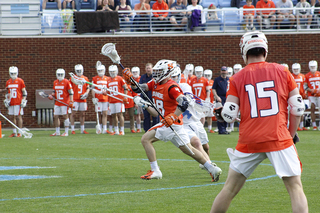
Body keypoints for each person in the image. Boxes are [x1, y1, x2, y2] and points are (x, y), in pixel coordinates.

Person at [210, 31, 308, 213]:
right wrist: (291, 134)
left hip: (249, 140)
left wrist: (220, 111)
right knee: (295, 188)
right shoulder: (282, 70)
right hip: (278, 137)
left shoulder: (237, 77)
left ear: (244, 51)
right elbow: (298, 108)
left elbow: (229, 115)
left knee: (229, 189)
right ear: (265, 49)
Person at [123, 60, 222, 181]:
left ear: (167, 72)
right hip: (173, 124)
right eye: (156, 71)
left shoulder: (171, 86)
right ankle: (212, 168)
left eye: (159, 72)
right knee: (188, 149)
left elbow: (184, 102)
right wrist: (131, 81)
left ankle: (155, 170)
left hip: (170, 123)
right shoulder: (155, 82)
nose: (156, 74)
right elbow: (139, 89)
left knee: (145, 139)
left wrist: (173, 116)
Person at [171, 66, 221, 171]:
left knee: (205, 146)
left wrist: (208, 105)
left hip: (194, 120)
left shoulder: (184, 86)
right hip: (183, 123)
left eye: (175, 76)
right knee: (196, 143)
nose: (173, 79)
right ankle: (210, 167)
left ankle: (206, 162)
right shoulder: (166, 88)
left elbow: (189, 97)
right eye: (171, 77)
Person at [3, 66, 27, 137]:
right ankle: (14, 132)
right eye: (12, 73)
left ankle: (19, 132)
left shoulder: (20, 81)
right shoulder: (8, 82)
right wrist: (7, 99)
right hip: (11, 102)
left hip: (18, 101)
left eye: (14, 73)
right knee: (12, 116)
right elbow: (8, 92)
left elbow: (24, 91)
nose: (13, 75)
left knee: (18, 116)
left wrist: (24, 99)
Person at [49, 69, 74, 136]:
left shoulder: (67, 82)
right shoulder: (55, 82)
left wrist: (71, 101)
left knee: (65, 116)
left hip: (64, 102)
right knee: (56, 116)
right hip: (57, 102)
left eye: (61, 74)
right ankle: (57, 131)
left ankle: (66, 132)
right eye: (58, 74)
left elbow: (71, 92)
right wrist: (52, 95)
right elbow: (54, 91)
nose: (60, 76)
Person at [106, 65, 128, 135]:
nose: (112, 73)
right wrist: (105, 92)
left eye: (114, 71)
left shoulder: (120, 78)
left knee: (120, 114)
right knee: (113, 115)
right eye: (111, 72)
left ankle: (122, 130)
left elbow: (125, 87)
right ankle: (116, 130)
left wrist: (125, 96)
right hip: (111, 100)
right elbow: (107, 91)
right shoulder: (108, 80)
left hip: (119, 99)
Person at [69, 64, 90, 134]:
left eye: (80, 70)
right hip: (75, 98)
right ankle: (72, 129)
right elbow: (69, 88)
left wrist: (86, 93)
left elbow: (88, 87)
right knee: (73, 114)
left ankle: (82, 129)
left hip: (82, 99)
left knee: (82, 114)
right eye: (77, 70)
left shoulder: (85, 78)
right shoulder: (72, 78)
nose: (79, 72)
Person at [139, 63, 159, 132]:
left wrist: (146, 85)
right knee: (146, 116)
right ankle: (147, 130)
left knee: (155, 116)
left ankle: (155, 129)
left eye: (149, 68)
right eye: (147, 68)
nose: (148, 70)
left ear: (152, 69)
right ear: (145, 69)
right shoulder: (143, 77)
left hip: (153, 99)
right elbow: (141, 86)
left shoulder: (155, 77)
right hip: (145, 99)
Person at [92, 64, 111, 134]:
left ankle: (105, 128)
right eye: (99, 70)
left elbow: (109, 88)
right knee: (99, 114)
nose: (100, 72)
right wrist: (94, 98)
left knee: (105, 114)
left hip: (105, 98)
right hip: (98, 99)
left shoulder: (107, 78)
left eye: (101, 70)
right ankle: (99, 128)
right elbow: (93, 89)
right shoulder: (94, 78)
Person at [212, 66, 229, 135]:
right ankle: (221, 130)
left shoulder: (228, 80)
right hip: (220, 98)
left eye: (224, 70)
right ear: (220, 71)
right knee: (220, 114)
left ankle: (225, 128)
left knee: (226, 113)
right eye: (222, 70)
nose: (223, 72)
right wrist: (216, 97)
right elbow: (213, 89)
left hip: (227, 98)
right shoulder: (217, 79)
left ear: (227, 71)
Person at [304, 60, 320, 130]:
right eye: (311, 67)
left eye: (314, 66)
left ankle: (319, 124)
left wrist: (318, 90)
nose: (313, 68)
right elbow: (305, 86)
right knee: (312, 108)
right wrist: (312, 90)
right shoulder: (307, 75)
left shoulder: (319, 74)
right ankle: (314, 125)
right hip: (311, 95)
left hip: (319, 94)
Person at [291, 63, 308, 131]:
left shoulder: (303, 76)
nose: (296, 70)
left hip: (301, 96)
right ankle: (296, 126)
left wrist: (305, 92)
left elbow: (305, 86)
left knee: (301, 111)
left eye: (297, 69)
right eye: (294, 69)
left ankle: (301, 125)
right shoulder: (291, 76)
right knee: (294, 111)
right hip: (293, 96)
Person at [204, 69, 215, 133]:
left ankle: (209, 128)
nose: (207, 76)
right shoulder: (203, 81)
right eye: (206, 75)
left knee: (209, 115)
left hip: (210, 101)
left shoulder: (212, 82)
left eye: (208, 75)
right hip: (203, 100)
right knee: (201, 115)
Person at [132, 67, 142, 132]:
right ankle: (136, 127)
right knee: (135, 114)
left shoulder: (141, 79)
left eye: (136, 72)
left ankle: (139, 127)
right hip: (133, 98)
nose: (135, 73)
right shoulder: (131, 80)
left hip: (141, 98)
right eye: (134, 72)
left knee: (140, 114)